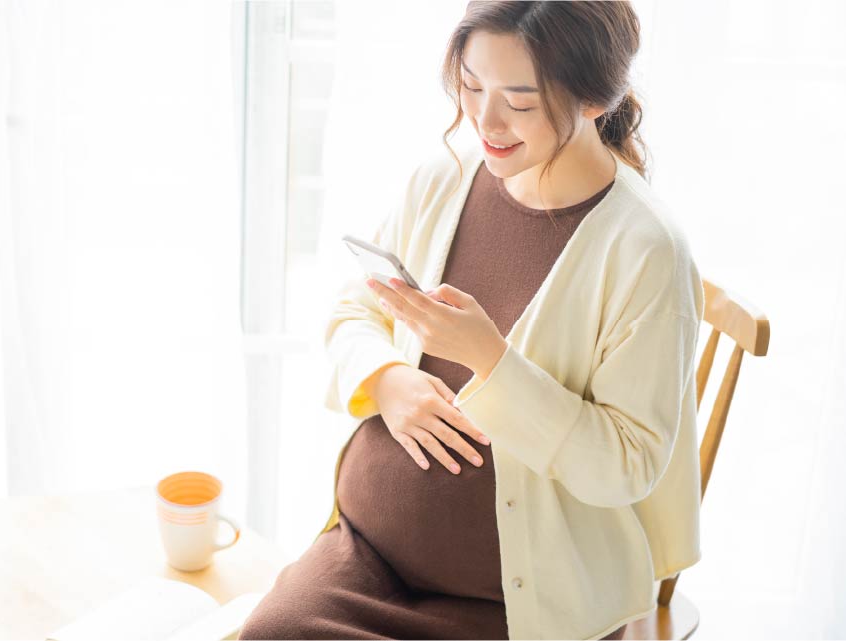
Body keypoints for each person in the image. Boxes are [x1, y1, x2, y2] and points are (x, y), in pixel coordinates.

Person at [240, 1, 703, 639]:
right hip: (366, 556)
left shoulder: (645, 251)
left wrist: (492, 361)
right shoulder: (446, 178)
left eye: (519, 101)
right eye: (472, 85)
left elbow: (626, 463)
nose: (485, 121)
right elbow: (356, 306)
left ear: (596, 101)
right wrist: (386, 380)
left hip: (518, 605)